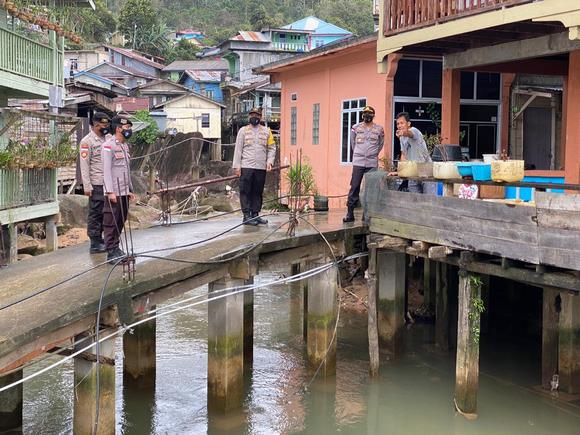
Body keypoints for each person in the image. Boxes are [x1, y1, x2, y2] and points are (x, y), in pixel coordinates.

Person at [233, 107, 276, 226]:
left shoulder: (267, 131)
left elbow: (272, 148)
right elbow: (238, 149)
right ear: (249, 117)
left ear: (260, 117)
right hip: (246, 166)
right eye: (252, 115)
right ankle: (246, 216)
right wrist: (237, 166)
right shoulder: (243, 131)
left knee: (257, 191)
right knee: (245, 191)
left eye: (257, 115)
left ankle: (255, 214)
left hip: (261, 167)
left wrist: (270, 161)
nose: (254, 117)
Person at [102, 116, 136, 264]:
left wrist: (129, 189)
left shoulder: (124, 146)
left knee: (121, 221)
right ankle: (111, 252)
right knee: (111, 222)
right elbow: (106, 170)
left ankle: (117, 249)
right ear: (118, 128)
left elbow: (125, 170)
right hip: (114, 192)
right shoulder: (108, 146)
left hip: (123, 191)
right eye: (127, 128)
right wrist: (110, 191)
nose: (129, 130)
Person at [343, 106, 384, 223]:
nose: (367, 116)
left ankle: (366, 215)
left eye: (369, 114)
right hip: (358, 162)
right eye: (365, 113)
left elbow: (380, 145)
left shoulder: (379, 129)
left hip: (371, 163)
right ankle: (350, 213)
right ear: (362, 115)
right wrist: (359, 154)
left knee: (369, 189)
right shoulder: (355, 128)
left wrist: (372, 153)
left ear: (373, 115)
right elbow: (352, 144)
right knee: (354, 187)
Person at [78, 112, 111, 254]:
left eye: (107, 125)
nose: (106, 127)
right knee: (96, 213)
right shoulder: (87, 141)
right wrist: (87, 185)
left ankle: (103, 238)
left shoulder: (109, 138)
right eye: (103, 125)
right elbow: (84, 164)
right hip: (96, 182)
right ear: (95, 125)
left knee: (107, 212)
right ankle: (95, 242)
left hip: (108, 182)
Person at [391, 111, 431, 193]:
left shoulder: (414, 130)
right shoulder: (401, 138)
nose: (399, 126)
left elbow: (409, 133)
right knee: (414, 201)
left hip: (426, 171)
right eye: (398, 124)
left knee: (430, 201)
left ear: (408, 123)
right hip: (413, 172)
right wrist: (400, 172)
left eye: (402, 123)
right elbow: (404, 155)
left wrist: (403, 133)